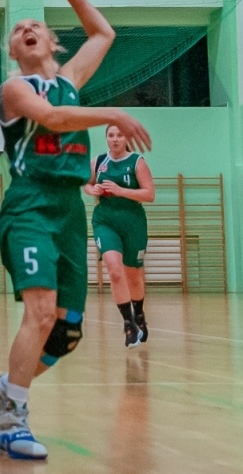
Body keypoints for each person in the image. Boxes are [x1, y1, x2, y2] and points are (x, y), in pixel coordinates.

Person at [0, 0, 152, 460]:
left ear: (53, 43)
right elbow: (52, 118)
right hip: (29, 203)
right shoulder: (13, 89)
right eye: (18, 30)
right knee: (39, 311)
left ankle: (5, 387)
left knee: (66, 330)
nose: (27, 30)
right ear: (13, 51)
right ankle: (11, 422)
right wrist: (113, 113)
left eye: (35, 26)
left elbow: (104, 33)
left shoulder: (72, 77)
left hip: (70, 211)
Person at [87, 124, 155, 347]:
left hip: (133, 221)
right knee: (115, 271)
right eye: (111, 135)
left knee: (133, 274)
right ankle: (128, 324)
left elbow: (149, 194)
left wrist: (121, 190)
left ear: (127, 138)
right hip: (105, 220)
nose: (115, 139)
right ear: (106, 138)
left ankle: (139, 315)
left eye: (119, 135)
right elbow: (86, 183)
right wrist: (92, 190)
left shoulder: (137, 162)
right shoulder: (98, 162)